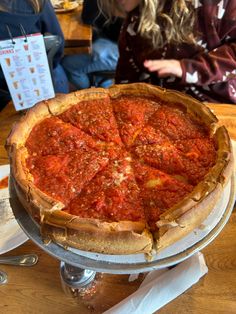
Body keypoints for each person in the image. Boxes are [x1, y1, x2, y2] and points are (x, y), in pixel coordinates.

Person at [98, 0, 236, 104]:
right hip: (161, 108)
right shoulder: (134, 21)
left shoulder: (216, 4)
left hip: (218, 105)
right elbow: (127, 76)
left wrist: (188, 68)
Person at [0, 0, 69, 110]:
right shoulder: (37, 2)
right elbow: (57, 46)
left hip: (4, 92)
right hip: (41, 82)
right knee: (56, 68)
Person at [62, 0, 123, 90]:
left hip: (124, 51)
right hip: (117, 43)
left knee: (67, 63)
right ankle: (101, 83)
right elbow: (90, 18)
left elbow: (88, 18)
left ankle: (89, 91)